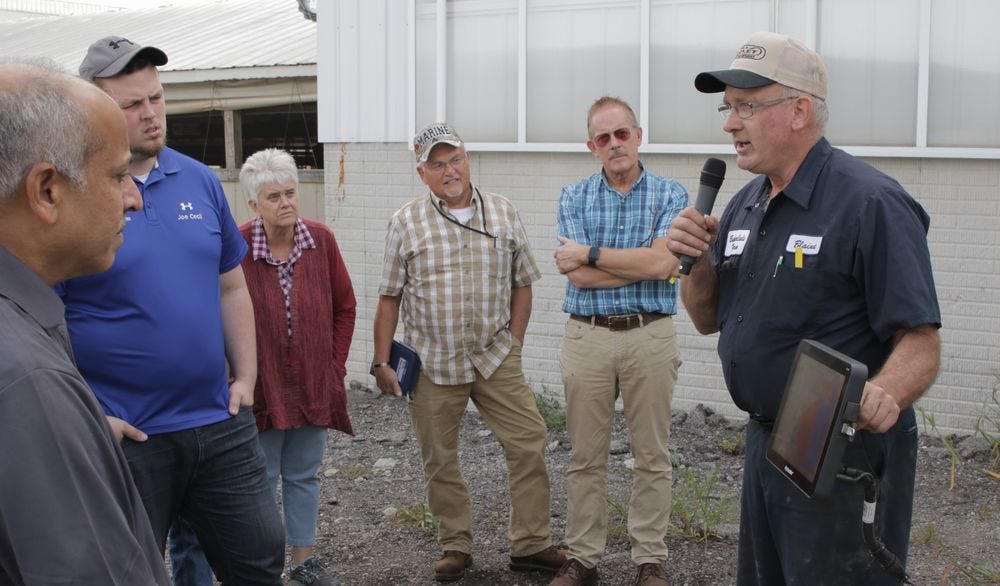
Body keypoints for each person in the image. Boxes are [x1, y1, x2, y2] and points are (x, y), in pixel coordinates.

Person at [665, 32, 941, 585]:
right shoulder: (745, 203)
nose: (729, 123)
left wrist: (887, 391)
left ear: (798, 111)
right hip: (767, 442)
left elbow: (921, 342)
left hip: (844, 449)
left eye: (746, 106)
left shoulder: (870, 203)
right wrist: (694, 262)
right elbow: (705, 319)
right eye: (727, 107)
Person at [57, 36, 285, 584]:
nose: (150, 114)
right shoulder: (72, 197)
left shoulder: (199, 179)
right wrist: (90, 417)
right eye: (131, 106)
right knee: (127, 572)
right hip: (129, 435)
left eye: (156, 98)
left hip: (218, 421)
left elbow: (232, 287)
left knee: (259, 558)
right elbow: (43, 322)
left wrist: (247, 377)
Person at [373, 122, 567, 582]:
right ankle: (455, 544)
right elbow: (388, 297)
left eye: (454, 158)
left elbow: (523, 284)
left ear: (468, 157)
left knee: (528, 442)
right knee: (440, 456)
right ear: (422, 173)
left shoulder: (502, 212)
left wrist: (514, 345)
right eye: (437, 164)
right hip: (434, 362)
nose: (449, 170)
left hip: (495, 357)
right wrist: (381, 361)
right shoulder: (405, 222)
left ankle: (531, 543)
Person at [0, 59, 169, 585]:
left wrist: (81, 431)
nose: (134, 198)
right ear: (47, 190)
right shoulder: (27, 381)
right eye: (118, 175)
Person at [550, 96, 688, 586]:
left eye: (622, 134)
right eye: (603, 138)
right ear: (592, 146)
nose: (614, 145)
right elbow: (578, 279)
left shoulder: (672, 195)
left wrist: (593, 254)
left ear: (638, 135)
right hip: (587, 338)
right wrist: (643, 263)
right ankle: (583, 558)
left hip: (650, 335)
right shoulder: (573, 197)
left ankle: (648, 558)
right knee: (585, 456)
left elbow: (665, 266)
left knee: (652, 455)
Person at [238, 148, 357, 586]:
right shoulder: (237, 247)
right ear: (254, 204)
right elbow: (221, 314)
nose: (286, 203)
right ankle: (265, 565)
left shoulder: (321, 241)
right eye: (274, 197)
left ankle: (304, 562)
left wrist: (334, 367)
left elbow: (345, 307)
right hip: (261, 384)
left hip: (313, 382)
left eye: (290, 193)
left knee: (304, 474)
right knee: (262, 477)